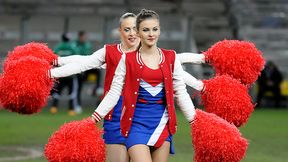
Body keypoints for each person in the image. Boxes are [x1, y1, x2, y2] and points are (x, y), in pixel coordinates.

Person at [50, 13, 204, 162]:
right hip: (116, 118)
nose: (131, 34)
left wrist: (202, 83)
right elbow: (82, 62)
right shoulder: (111, 53)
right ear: (120, 31)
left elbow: (179, 69)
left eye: (134, 29)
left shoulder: (153, 53)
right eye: (126, 29)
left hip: (147, 117)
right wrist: (53, 67)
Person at [50, 33, 79, 116]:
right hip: (70, 74)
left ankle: (54, 108)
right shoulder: (72, 47)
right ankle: (71, 109)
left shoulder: (58, 47)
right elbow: (77, 57)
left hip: (60, 73)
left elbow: (53, 58)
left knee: (57, 91)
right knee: (72, 92)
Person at [73, 30, 92, 114]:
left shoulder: (87, 45)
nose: (84, 38)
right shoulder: (74, 45)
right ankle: (76, 106)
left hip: (86, 69)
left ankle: (97, 88)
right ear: (80, 37)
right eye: (83, 36)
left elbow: (89, 56)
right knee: (77, 88)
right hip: (77, 70)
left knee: (97, 71)